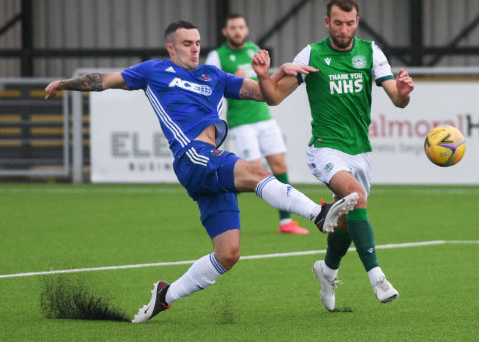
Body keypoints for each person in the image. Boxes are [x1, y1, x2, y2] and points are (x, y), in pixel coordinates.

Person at [44, 20, 359, 323]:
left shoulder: (213, 75)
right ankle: (318, 214)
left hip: (208, 163)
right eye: (186, 44)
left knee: (228, 254)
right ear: (171, 48)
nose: (194, 49)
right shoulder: (154, 71)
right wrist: (64, 84)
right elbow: (102, 80)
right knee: (255, 171)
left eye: (197, 43)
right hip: (192, 154)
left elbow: (267, 94)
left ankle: (166, 295)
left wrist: (274, 74)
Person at [251, 0, 414, 311]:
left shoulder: (370, 53)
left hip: (361, 151)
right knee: (355, 196)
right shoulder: (311, 55)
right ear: (328, 22)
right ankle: (378, 277)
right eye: (337, 23)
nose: (343, 29)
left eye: (350, 23)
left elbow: (398, 100)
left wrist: (405, 93)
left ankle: (326, 271)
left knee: (346, 221)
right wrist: (263, 76)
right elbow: (273, 98)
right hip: (325, 149)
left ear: (357, 22)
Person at [205, 14, 308, 234]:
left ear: (247, 29)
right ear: (225, 32)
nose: (237, 31)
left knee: (279, 165)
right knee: (255, 171)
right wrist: (231, 77)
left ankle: (285, 222)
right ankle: (217, 194)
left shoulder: (254, 49)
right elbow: (208, 84)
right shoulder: (218, 56)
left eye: (241, 27)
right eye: (233, 27)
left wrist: (279, 73)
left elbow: (265, 80)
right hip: (241, 121)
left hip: (264, 117)